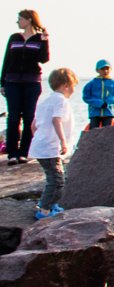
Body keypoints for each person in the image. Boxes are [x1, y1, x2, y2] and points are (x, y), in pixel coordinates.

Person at [28, 68, 77, 219]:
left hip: (42, 146)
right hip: (50, 148)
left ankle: (52, 204)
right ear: (65, 85)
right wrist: (63, 142)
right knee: (57, 180)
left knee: (54, 178)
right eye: (73, 86)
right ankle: (44, 209)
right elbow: (56, 120)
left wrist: (39, 140)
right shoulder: (61, 101)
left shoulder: (45, 101)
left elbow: (33, 126)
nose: (74, 90)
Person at [3, 10, 50, 164]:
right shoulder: (14, 38)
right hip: (12, 82)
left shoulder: (39, 38)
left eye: (20, 19)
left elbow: (44, 59)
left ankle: (25, 152)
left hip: (32, 82)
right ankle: (12, 153)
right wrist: (2, 83)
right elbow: (6, 60)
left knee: (29, 117)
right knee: (13, 117)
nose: (18, 22)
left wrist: (45, 41)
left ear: (29, 20)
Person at [81, 60, 114, 129]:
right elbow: (86, 97)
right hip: (94, 112)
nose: (105, 71)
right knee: (93, 133)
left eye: (107, 68)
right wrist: (98, 103)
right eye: (103, 69)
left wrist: (109, 102)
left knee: (107, 133)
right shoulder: (91, 84)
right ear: (97, 70)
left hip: (108, 112)